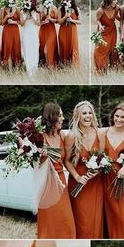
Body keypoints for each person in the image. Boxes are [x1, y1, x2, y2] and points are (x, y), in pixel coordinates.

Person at [65, 101, 103, 238]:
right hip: (79, 182)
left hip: (96, 182)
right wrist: (77, 177)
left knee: (96, 219)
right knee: (82, 220)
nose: (88, 116)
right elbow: (66, 160)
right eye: (84, 113)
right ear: (77, 117)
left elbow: (103, 158)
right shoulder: (71, 136)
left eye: (90, 113)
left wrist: (98, 169)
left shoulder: (99, 133)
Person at [37, 102, 76, 238]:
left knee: (66, 222)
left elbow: (67, 160)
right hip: (47, 185)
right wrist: (42, 157)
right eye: (60, 115)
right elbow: (35, 166)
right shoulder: (40, 137)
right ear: (52, 117)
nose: (63, 118)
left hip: (62, 184)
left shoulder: (62, 136)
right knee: (50, 222)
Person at [101, 102, 124, 238]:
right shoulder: (104, 132)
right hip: (106, 177)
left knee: (122, 214)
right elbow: (99, 154)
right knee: (110, 212)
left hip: (123, 178)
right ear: (113, 116)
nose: (119, 119)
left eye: (123, 117)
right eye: (117, 116)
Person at [94, 0, 119, 72]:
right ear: (109, 1)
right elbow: (97, 19)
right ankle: (100, 68)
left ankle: (110, 67)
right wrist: (100, 25)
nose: (116, 1)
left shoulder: (116, 8)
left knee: (111, 49)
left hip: (112, 31)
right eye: (114, 0)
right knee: (101, 49)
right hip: (103, 31)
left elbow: (118, 17)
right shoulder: (100, 10)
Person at [58, 0, 80, 66]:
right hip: (63, 30)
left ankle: (73, 65)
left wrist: (72, 20)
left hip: (73, 30)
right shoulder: (60, 9)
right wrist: (65, 17)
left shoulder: (76, 9)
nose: (68, 1)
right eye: (66, 0)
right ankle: (64, 64)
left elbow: (80, 21)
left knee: (73, 46)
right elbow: (59, 22)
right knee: (64, 46)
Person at [1, 0, 21, 69]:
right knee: (7, 48)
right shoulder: (3, 9)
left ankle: (17, 68)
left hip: (15, 31)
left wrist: (14, 22)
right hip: (7, 31)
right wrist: (6, 17)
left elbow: (20, 22)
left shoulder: (17, 9)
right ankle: (9, 69)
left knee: (16, 49)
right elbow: (1, 23)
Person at [20, 0, 40, 75]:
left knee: (35, 49)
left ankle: (34, 68)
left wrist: (33, 18)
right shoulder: (22, 12)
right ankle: (29, 69)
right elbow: (21, 24)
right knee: (27, 49)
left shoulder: (36, 12)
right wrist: (26, 18)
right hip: (26, 33)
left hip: (34, 33)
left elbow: (38, 23)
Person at [39, 0, 58, 68]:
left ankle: (51, 65)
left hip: (51, 31)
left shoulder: (54, 8)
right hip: (43, 31)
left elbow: (57, 20)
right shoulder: (40, 8)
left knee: (47, 50)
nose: (47, 0)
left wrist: (50, 19)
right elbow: (38, 22)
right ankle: (45, 66)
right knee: (42, 49)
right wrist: (43, 22)